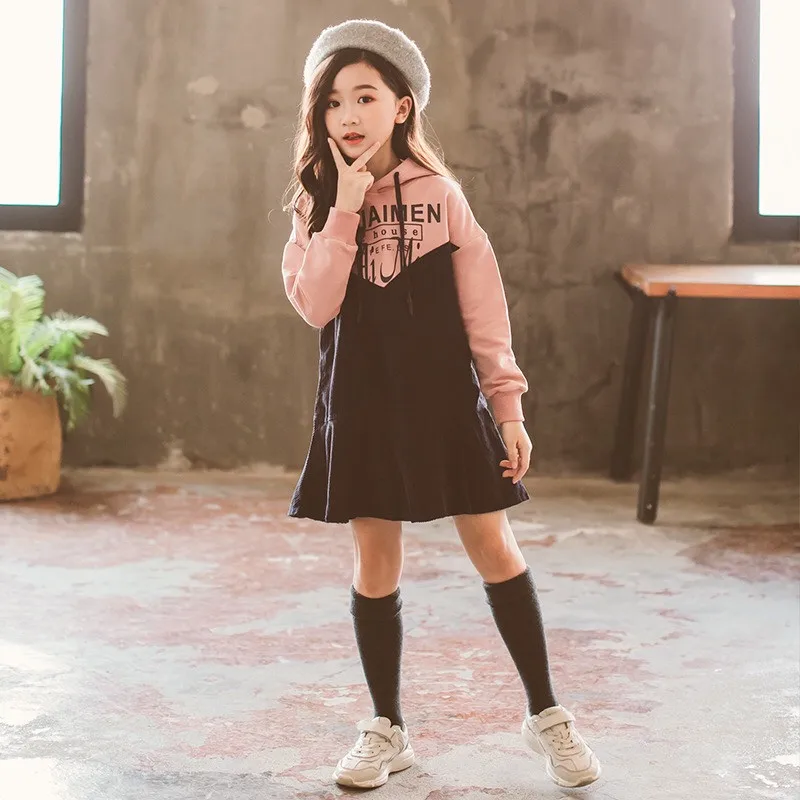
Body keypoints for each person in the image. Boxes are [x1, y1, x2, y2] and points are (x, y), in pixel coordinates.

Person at [281, 18, 601, 791]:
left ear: (402, 107)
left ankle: (546, 715)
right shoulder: (313, 203)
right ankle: (386, 727)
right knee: (376, 560)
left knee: (494, 547)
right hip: (360, 405)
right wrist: (345, 207)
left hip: (447, 404)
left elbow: (485, 313)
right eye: (333, 101)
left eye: (366, 96)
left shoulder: (442, 197)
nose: (348, 114)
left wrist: (508, 408)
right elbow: (316, 305)